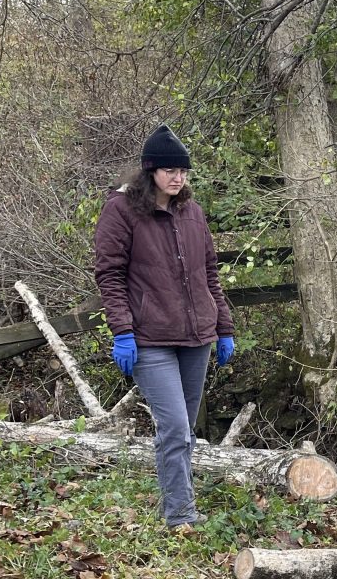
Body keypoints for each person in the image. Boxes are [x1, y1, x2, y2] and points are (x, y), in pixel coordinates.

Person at [94, 124, 235, 529]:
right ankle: (180, 516)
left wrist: (223, 327)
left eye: (184, 171)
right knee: (173, 425)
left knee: (185, 430)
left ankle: (180, 504)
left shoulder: (191, 211)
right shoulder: (121, 210)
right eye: (171, 170)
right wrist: (122, 332)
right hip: (148, 339)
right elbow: (109, 274)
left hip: (196, 337)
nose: (179, 178)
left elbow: (209, 272)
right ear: (149, 171)